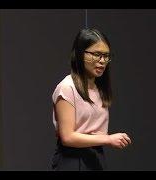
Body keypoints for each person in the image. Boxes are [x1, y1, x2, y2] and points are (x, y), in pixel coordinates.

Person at [51, 28, 132, 171]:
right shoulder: (67, 87)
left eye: (106, 56)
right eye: (96, 55)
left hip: (95, 157)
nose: (102, 61)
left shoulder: (99, 88)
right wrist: (108, 139)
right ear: (80, 54)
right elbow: (67, 137)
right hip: (73, 160)